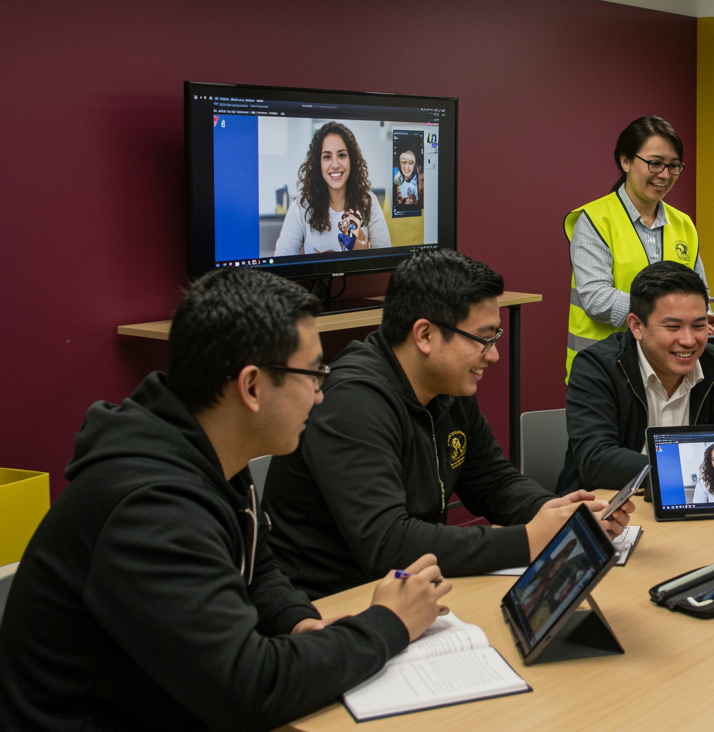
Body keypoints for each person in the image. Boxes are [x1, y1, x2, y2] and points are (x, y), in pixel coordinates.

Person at [0, 269, 451, 731]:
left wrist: (298, 621)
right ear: (252, 387)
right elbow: (251, 689)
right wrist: (389, 623)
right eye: (315, 374)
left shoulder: (208, 448)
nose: (321, 396)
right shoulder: (151, 508)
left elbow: (257, 570)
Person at [266, 249, 632, 599]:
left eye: (496, 337)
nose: (493, 355)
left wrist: (558, 514)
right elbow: (387, 543)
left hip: (411, 588)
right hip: (333, 605)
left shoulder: (447, 388)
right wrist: (529, 539)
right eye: (483, 339)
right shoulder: (351, 403)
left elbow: (493, 482)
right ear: (424, 335)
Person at [558, 261, 714, 493]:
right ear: (636, 326)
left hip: (695, 504)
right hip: (610, 509)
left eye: (699, 325)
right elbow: (597, 461)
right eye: (673, 327)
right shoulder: (597, 366)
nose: (688, 340)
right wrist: (692, 471)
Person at [564, 115, 714, 379]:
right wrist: (669, 314)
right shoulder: (594, 220)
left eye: (673, 166)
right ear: (625, 161)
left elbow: (698, 290)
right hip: (603, 371)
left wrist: (704, 317)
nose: (664, 175)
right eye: (655, 163)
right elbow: (595, 298)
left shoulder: (683, 223)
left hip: (668, 371)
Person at [275, 121, 392, 256]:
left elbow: (385, 258)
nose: (335, 164)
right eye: (327, 157)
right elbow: (280, 263)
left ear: (351, 160)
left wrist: (364, 252)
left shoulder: (368, 201)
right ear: (318, 163)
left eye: (342, 155)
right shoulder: (301, 206)